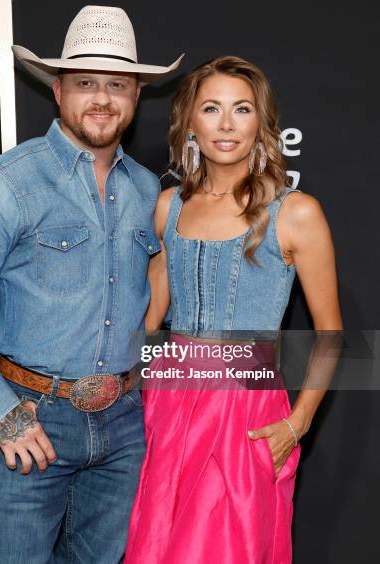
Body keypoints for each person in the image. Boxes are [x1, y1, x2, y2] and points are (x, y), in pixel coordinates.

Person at [0, 5, 183, 564]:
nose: (102, 99)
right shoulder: (5, 183)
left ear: (137, 96)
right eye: (86, 82)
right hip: (32, 416)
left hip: (125, 426)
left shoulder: (149, 193)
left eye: (117, 84)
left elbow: (168, 301)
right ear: (58, 89)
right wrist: (2, 410)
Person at [124, 55, 343, 563]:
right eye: (212, 108)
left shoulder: (296, 212)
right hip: (167, 407)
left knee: (226, 547)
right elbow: (150, 317)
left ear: (261, 123)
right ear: (190, 122)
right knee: (155, 546)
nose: (226, 124)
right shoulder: (168, 205)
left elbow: (330, 332)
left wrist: (300, 422)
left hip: (245, 412)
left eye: (241, 109)